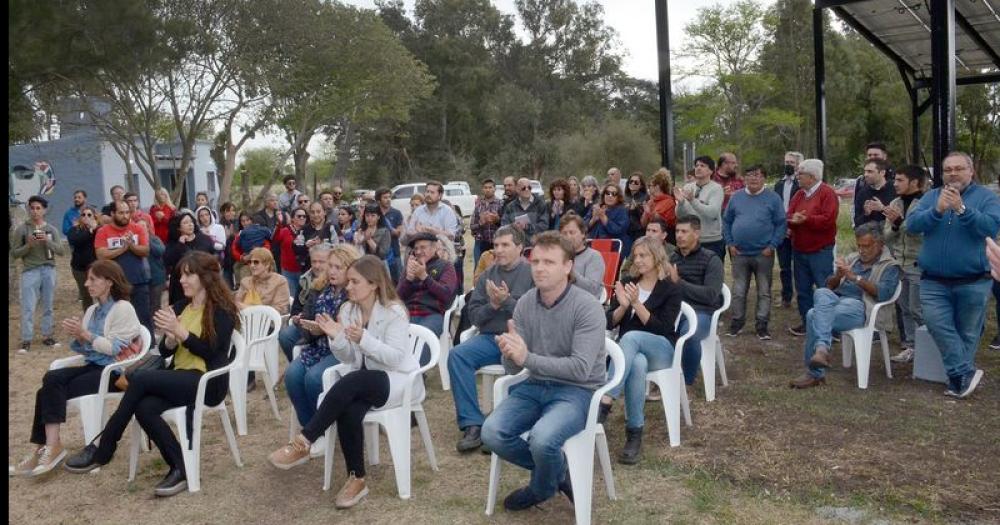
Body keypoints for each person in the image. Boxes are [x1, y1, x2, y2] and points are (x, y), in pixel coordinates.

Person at [65, 252, 240, 498]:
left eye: (188, 275)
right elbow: (165, 351)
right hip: (180, 378)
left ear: (205, 277)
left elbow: (212, 352)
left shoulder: (222, 310)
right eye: (181, 275)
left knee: (141, 379)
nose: (182, 280)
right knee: (145, 407)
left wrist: (182, 333)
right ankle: (180, 467)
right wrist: (170, 338)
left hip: (207, 382)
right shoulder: (181, 307)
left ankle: (103, 447)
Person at [268, 255, 417, 510]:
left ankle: (305, 440)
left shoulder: (394, 311)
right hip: (362, 381)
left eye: (354, 282)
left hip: (395, 380)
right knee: (349, 406)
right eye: (348, 282)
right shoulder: (349, 310)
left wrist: (364, 339)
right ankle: (357, 479)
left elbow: (395, 359)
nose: (348, 287)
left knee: (353, 380)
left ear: (373, 284)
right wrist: (337, 337)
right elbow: (348, 356)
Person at [480, 231, 606, 513]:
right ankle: (558, 472)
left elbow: (581, 368)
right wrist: (509, 352)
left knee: (543, 438)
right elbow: (515, 366)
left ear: (567, 266)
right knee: (491, 433)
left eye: (548, 262)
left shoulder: (587, 307)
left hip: (577, 391)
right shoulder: (525, 302)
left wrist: (528, 357)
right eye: (535, 261)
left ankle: (540, 487)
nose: (539, 268)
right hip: (536, 385)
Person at [11, 261, 141, 477]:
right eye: (87, 279)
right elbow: (87, 350)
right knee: (49, 383)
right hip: (94, 367)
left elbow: (113, 348)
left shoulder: (123, 309)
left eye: (93, 279)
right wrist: (78, 335)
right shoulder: (92, 310)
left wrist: (86, 335)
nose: (87, 284)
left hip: (113, 373)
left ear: (109, 282)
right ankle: (46, 448)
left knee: (49, 390)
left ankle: (50, 448)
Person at [905, 151, 1000, 398]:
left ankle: (957, 382)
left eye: (959, 168)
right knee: (938, 325)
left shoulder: (987, 197)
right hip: (933, 280)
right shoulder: (931, 197)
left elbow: (990, 227)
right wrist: (937, 210)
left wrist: (961, 209)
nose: (953, 173)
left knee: (968, 332)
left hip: (974, 279)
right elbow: (912, 226)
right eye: (948, 169)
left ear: (971, 171)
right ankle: (962, 373)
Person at [449, 226, 534, 453]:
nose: (498, 250)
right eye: (496, 245)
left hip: (522, 340)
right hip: (490, 338)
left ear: (520, 247)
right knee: (458, 355)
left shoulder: (533, 273)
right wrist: (493, 305)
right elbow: (474, 316)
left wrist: (506, 301)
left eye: (505, 245)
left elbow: (534, 314)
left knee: (518, 362)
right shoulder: (488, 275)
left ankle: (505, 427)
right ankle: (472, 424)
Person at [598, 236, 682, 464]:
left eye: (644, 255)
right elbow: (610, 322)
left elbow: (662, 328)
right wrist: (624, 306)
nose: (638, 259)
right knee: (637, 364)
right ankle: (634, 434)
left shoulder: (670, 289)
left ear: (657, 256)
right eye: (636, 255)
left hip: (662, 349)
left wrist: (636, 305)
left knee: (632, 337)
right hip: (632, 354)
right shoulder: (628, 281)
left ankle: (606, 399)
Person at [789, 223, 900, 388]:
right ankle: (821, 352)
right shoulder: (853, 258)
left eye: (866, 246)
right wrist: (838, 275)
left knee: (813, 315)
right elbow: (829, 286)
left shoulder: (890, 266)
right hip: (837, 302)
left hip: (862, 308)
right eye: (859, 246)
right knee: (820, 293)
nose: (862, 250)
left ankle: (815, 369)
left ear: (880, 245)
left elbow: (883, 293)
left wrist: (856, 278)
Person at [283, 244, 359, 445]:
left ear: (350, 269)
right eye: (331, 266)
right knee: (292, 375)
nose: (332, 271)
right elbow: (307, 323)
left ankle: (323, 429)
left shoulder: (356, 294)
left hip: (344, 350)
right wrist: (311, 328)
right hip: (318, 346)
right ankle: (311, 433)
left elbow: (356, 333)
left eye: (338, 267)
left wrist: (332, 330)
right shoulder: (318, 289)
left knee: (314, 378)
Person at [722, 167, 786, 340]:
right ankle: (737, 323)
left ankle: (762, 326)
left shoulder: (773, 198)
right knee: (739, 290)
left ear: (764, 178)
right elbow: (727, 221)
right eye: (749, 175)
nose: (753, 179)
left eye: (757, 175)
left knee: (764, 291)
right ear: (744, 178)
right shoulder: (736, 198)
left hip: (763, 253)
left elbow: (781, 224)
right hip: (739, 253)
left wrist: (772, 245)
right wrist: (730, 243)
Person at [786, 159, 839, 336]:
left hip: (820, 251)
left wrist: (806, 220)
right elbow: (790, 214)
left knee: (824, 289)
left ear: (812, 176)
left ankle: (830, 326)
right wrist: (792, 222)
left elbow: (828, 219)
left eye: (800, 174)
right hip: (800, 249)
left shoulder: (827, 193)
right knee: (802, 289)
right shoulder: (799, 195)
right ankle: (807, 322)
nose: (797, 177)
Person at [669, 216, 723, 386]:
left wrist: (679, 283)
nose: (679, 235)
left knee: (689, 334)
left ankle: (685, 382)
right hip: (673, 310)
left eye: (684, 231)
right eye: (677, 231)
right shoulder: (672, 258)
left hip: (701, 312)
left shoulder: (711, 259)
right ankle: (663, 372)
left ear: (697, 234)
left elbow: (711, 295)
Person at [883, 165, 927, 363]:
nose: (895, 184)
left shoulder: (926, 203)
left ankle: (929, 347)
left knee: (918, 309)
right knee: (905, 308)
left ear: (915, 182)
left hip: (918, 264)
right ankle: (910, 347)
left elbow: (923, 233)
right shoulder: (895, 203)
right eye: (896, 180)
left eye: (900, 180)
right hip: (899, 264)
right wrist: (894, 225)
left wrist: (901, 222)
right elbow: (887, 237)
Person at [12, 196, 67, 353]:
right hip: (30, 270)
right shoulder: (22, 230)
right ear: (29, 209)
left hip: (49, 269)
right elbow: (15, 253)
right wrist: (28, 245)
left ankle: (47, 335)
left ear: (44, 210)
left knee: (48, 305)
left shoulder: (51, 229)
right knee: (28, 306)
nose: (35, 211)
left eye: (38, 208)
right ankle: (26, 339)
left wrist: (46, 241)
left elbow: (61, 251)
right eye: (32, 208)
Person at [94, 199, 154, 340]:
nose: (125, 216)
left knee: (143, 316)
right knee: (118, 318)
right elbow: (101, 255)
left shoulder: (137, 228)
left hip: (138, 281)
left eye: (127, 212)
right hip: (114, 283)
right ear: (113, 213)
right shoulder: (103, 231)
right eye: (121, 213)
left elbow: (145, 250)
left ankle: (149, 346)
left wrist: (132, 246)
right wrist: (122, 249)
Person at [397, 231, 458, 341]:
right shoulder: (409, 267)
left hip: (432, 314)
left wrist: (425, 277)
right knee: (394, 337)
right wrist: (408, 279)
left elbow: (446, 295)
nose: (419, 251)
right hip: (407, 314)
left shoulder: (445, 266)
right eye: (416, 249)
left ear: (434, 248)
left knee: (422, 339)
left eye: (423, 247)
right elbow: (398, 297)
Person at [279, 243, 334, 361]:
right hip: (305, 322)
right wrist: (296, 317)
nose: (317, 266)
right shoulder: (304, 280)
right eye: (314, 261)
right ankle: (295, 361)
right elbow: (296, 308)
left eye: (321, 262)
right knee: (285, 336)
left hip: (326, 327)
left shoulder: (334, 280)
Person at [675, 156, 725, 261]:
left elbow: (712, 213)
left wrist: (693, 201)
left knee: (712, 274)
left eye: (702, 166)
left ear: (711, 171)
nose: (698, 168)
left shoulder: (716, 189)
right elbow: (680, 216)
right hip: (691, 241)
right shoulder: (688, 187)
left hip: (711, 242)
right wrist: (681, 203)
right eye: (696, 165)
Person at [163, 211, 215, 305]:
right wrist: (180, 245)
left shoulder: (204, 239)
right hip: (181, 285)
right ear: (179, 227)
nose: (190, 225)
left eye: (191, 222)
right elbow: (168, 260)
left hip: (203, 281)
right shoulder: (174, 244)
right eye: (185, 223)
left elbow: (212, 256)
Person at [774, 152, 803, 309]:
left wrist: (792, 227)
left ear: (799, 165)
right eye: (786, 161)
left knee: (799, 266)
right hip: (781, 230)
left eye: (792, 162)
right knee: (784, 267)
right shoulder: (779, 184)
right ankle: (786, 297)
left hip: (798, 231)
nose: (788, 164)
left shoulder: (802, 184)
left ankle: (801, 296)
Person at [559, 213, 605, 299]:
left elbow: (592, 289)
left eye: (572, 232)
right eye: (564, 233)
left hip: (584, 305)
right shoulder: (558, 256)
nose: (568, 237)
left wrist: (570, 270)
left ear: (583, 233)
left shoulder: (593, 256)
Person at [235, 247, 290, 314]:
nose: (252, 265)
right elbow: (236, 304)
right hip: (245, 321)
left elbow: (281, 309)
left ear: (267, 264)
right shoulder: (245, 282)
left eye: (256, 262)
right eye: (250, 262)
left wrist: (250, 309)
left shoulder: (280, 281)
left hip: (270, 322)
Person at [585, 182, 632, 257]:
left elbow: (619, 230)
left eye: (613, 194)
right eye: (607, 193)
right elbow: (582, 227)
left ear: (618, 197)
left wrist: (603, 217)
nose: (610, 196)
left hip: (613, 249)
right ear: (603, 195)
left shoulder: (622, 210)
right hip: (594, 247)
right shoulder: (596, 207)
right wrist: (593, 219)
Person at [67, 205, 100, 311]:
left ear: (94, 216)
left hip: (97, 268)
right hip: (79, 268)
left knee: (101, 294)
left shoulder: (99, 229)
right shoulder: (74, 230)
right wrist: (90, 231)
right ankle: (88, 319)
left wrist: (94, 229)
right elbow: (75, 241)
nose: (86, 216)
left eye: (89, 214)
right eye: (83, 214)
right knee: (86, 296)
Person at [272, 207, 309, 298]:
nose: (302, 218)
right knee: (291, 298)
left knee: (304, 298)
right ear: (292, 218)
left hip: (304, 271)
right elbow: (274, 239)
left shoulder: (309, 230)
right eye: (299, 216)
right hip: (288, 272)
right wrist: (278, 224)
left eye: (304, 216)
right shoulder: (285, 230)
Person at [853, 158, 896, 227]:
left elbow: (901, 220)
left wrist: (882, 208)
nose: (866, 175)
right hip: (870, 235)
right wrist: (866, 214)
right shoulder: (862, 193)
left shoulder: (895, 189)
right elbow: (857, 223)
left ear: (882, 173)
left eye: (870, 171)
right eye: (865, 171)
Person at [471, 179, 503, 269]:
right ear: (482, 189)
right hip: (480, 242)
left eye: (490, 187)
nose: (488, 190)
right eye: (485, 188)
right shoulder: (478, 205)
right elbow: (472, 227)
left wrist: (497, 220)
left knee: (498, 268)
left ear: (494, 189)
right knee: (479, 268)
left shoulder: (501, 204)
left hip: (496, 242)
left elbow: (506, 225)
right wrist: (481, 223)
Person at [375, 187, 405, 283]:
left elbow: (398, 233)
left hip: (394, 253)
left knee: (397, 282)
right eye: (385, 197)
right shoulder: (373, 214)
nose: (388, 200)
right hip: (377, 254)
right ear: (378, 200)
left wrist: (386, 225)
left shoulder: (396, 213)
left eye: (389, 197)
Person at [640, 168, 677, 245]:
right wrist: (646, 213)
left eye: (650, 185)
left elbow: (659, 221)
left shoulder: (668, 201)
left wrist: (648, 212)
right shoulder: (651, 201)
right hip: (651, 237)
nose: (648, 188)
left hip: (665, 239)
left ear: (657, 186)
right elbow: (643, 224)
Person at [623, 172, 649, 243]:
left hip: (639, 231)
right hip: (626, 231)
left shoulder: (646, 197)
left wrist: (635, 209)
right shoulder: (624, 197)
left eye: (636, 182)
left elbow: (645, 215)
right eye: (631, 181)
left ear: (641, 185)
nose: (633, 183)